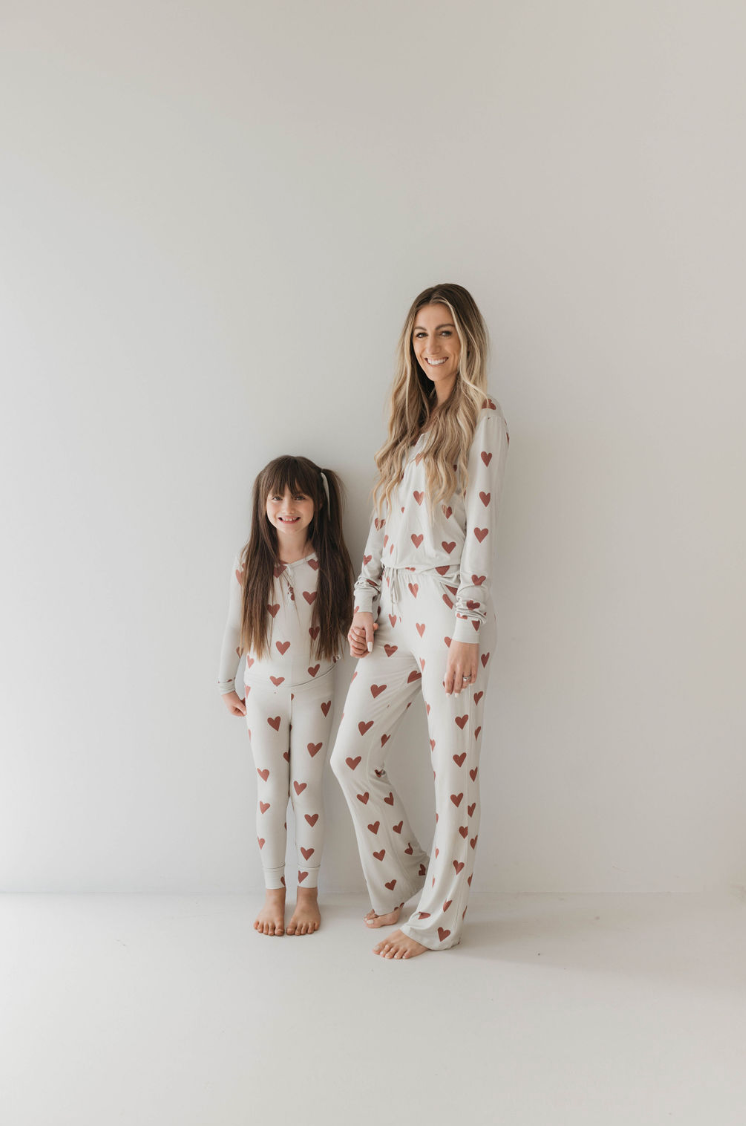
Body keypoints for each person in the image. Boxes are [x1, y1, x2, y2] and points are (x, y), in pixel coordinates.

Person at [330, 284, 509, 958]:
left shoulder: (482, 421)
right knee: (350, 754)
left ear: (468, 342)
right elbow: (381, 529)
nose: (431, 348)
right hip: (397, 610)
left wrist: (465, 629)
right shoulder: (409, 429)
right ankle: (400, 879)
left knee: (453, 770)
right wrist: (364, 605)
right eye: (421, 335)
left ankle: (436, 920)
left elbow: (481, 536)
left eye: (445, 334)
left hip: (447, 607)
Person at [218, 456, 353, 937]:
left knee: (307, 791)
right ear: (263, 503)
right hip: (262, 696)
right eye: (276, 497)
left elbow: (349, 623)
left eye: (298, 496)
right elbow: (235, 625)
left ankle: (308, 896)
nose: (287, 507)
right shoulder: (249, 560)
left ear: (316, 503)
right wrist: (224, 683)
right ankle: (274, 894)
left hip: (317, 692)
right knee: (272, 793)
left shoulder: (331, 560)